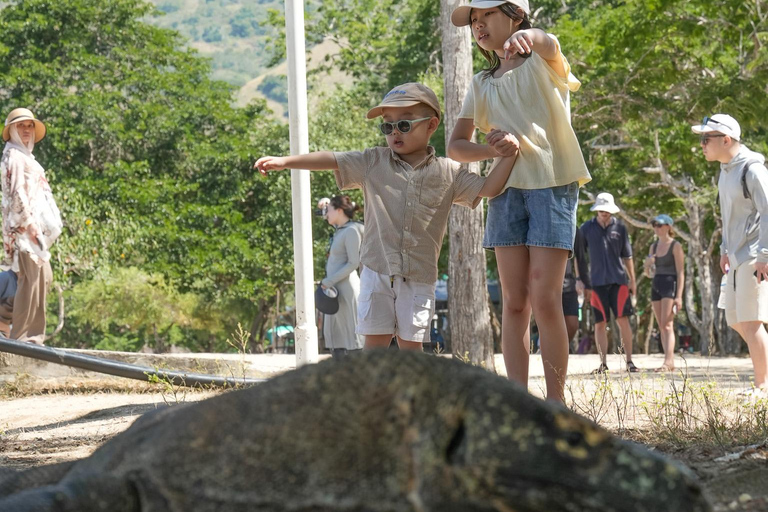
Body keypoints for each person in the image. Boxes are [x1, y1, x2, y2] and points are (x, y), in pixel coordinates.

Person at [255, 83, 515, 351]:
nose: (394, 133)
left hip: (419, 275)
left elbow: (488, 188)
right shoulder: (372, 162)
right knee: (374, 350)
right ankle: (372, 394)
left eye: (404, 125)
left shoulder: (449, 173)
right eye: (387, 126)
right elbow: (332, 159)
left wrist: (507, 155)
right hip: (376, 271)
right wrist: (285, 161)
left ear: (431, 125)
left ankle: (410, 394)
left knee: (411, 352)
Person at [447, 0, 591, 402]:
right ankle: (518, 404)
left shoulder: (542, 59)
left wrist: (529, 38)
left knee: (545, 297)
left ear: (515, 15)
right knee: (514, 303)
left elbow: (549, 43)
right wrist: (493, 151)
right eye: (473, 21)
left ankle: (555, 405)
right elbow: (457, 146)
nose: (478, 26)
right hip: (505, 194)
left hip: (552, 184)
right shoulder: (481, 82)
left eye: (486, 15)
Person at [692, 114, 768, 395]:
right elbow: (729, 217)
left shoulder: (753, 169)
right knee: (736, 320)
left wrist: (765, 255)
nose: (702, 145)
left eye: (705, 139)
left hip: (754, 255)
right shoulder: (724, 171)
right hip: (734, 257)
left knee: (752, 320)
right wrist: (724, 250)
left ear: (726, 140)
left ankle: (763, 385)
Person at [0, 108, 62, 345]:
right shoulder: (13, 156)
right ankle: (26, 338)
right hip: (25, 228)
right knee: (32, 279)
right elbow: (16, 193)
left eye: (29, 126)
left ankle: (32, 336)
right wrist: (29, 224)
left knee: (43, 277)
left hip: (32, 229)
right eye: (21, 126)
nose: (26, 130)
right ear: (12, 131)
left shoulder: (25, 157)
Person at [581, 192, 638, 374]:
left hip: (618, 281)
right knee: (599, 323)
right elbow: (579, 258)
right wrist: (580, 281)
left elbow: (627, 256)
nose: (604, 213)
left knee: (623, 320)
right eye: (601, 209)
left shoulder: (620, 229)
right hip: (596, 283)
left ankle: (629, 361)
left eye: (607, 210)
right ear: (597, 209)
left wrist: (633, 280)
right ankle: (603, 364)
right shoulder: (586, 229)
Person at [319, 195, 365, 359]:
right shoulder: (340, 231)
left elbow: (354, 263)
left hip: (346, 289)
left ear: (339, 210)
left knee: (351, 336)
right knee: (335, 336)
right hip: (333, 289)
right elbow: (327, 216)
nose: (326, 214)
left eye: (329, 210)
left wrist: (328, 282)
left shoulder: (352, 230)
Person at [647, 214, 684, 372]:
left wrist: (679, 296)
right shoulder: (653, 247)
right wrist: (647, 264)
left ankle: (669, 361)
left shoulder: (675, 245)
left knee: (667, 324)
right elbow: (648, 273)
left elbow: (681, 272)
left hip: (670, 284)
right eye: (655, 225)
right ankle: (668, 360)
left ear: (668, 226)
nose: (657, 228)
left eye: (660, 225)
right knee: (661, 325)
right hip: (656, 283)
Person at [563, 228, 590, 351]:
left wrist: (583, 281)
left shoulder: (573, 228)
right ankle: (545, 350)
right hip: (546, 283)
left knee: (573, 324)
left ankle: (560, 349)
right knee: (550, 321)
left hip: (569, 283)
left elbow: (579, 258)